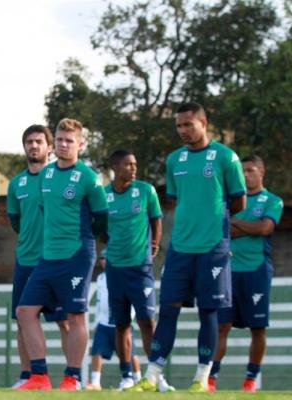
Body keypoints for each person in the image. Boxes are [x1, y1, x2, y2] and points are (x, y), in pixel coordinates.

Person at [133, 102, 246, 392]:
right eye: (178, 126)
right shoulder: (174, 160)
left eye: (188, 124)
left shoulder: (226, 157)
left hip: (213, 248)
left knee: (209, 312)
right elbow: (174, 198)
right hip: (181, 248)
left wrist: (215, 224)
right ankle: (152, 375)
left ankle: (201, 378)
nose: (183, 130)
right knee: (168, 309)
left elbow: (238, 201)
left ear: (203, 123)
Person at [15, 118, 108, 391]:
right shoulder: (46, 174)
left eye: (69, 141)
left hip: (77, 255)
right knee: (24, 312)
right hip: (47, 257)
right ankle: (39, 376)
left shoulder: (90, 178)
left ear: (80, 144)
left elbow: (102, 219)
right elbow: (45, 210)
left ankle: (73, 377)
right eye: (59, 140)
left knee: (74, 316)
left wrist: (84, 241)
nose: (63, 145)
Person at [209, 155, 283, 393]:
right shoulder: (228, 201)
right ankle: (210, 379)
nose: (246, 175)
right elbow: (220, 229)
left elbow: (265, 228)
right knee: (222, 326)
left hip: (256, 270)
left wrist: (237, 224)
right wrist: (246, 226)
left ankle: (250, 380)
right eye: (242, 171)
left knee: (257, 327)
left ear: (261, 172)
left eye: (251, 170)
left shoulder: (272, 200)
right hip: (227, 270)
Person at [7, 124, 69, 388]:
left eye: (39, 142)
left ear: (49, 147)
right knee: (23, 321)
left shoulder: (60, 176)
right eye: (29, 142)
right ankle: (28, 376)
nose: (34, 146)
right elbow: (17, 222)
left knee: (64, 322)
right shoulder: (15, 183)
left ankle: (72, 376)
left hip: (56, 261)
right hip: (25, 261)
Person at [103, 150, 164, 390]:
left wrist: (155, 244)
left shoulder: (146, 191)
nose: (133, 168)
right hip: (115, 268)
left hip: (141, 267)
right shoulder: (103, 195)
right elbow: (98, 227)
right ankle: (127, 375)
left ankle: (156, 376)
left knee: (148, 321)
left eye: (135, 164)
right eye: (128, 164)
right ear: (115, 167)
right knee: (121, 324)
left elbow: (156, 219)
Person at [87, 250, 141, 391]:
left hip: (122, 321)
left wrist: (131, 316)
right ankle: (95, 382)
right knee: (96, 351)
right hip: (104, 322)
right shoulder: (100, 278)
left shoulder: (123, 274)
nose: (104, 261)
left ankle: (138, 379)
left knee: (131, 353)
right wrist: (96, 321)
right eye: (102, 258)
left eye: (106, 258)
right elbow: (99, 301)